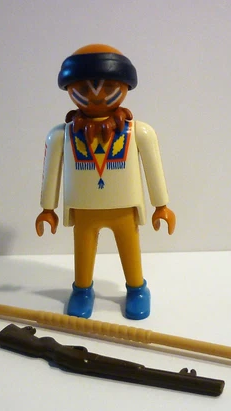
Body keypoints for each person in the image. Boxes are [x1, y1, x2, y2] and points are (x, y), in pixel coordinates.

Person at [36, 44, 175, 320]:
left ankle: (136, 289)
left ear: (125, 87)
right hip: (84, 208)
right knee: (83, 251)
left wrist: (161, 205)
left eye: (108, 87)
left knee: (130, 249)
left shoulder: (139, 132)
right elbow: (51, 171)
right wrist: (47, 208)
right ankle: (82, 290)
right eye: (84, 89)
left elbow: (153, 167)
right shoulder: (61, 135)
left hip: (124, 207)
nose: (96, 96)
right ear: (69, 89)